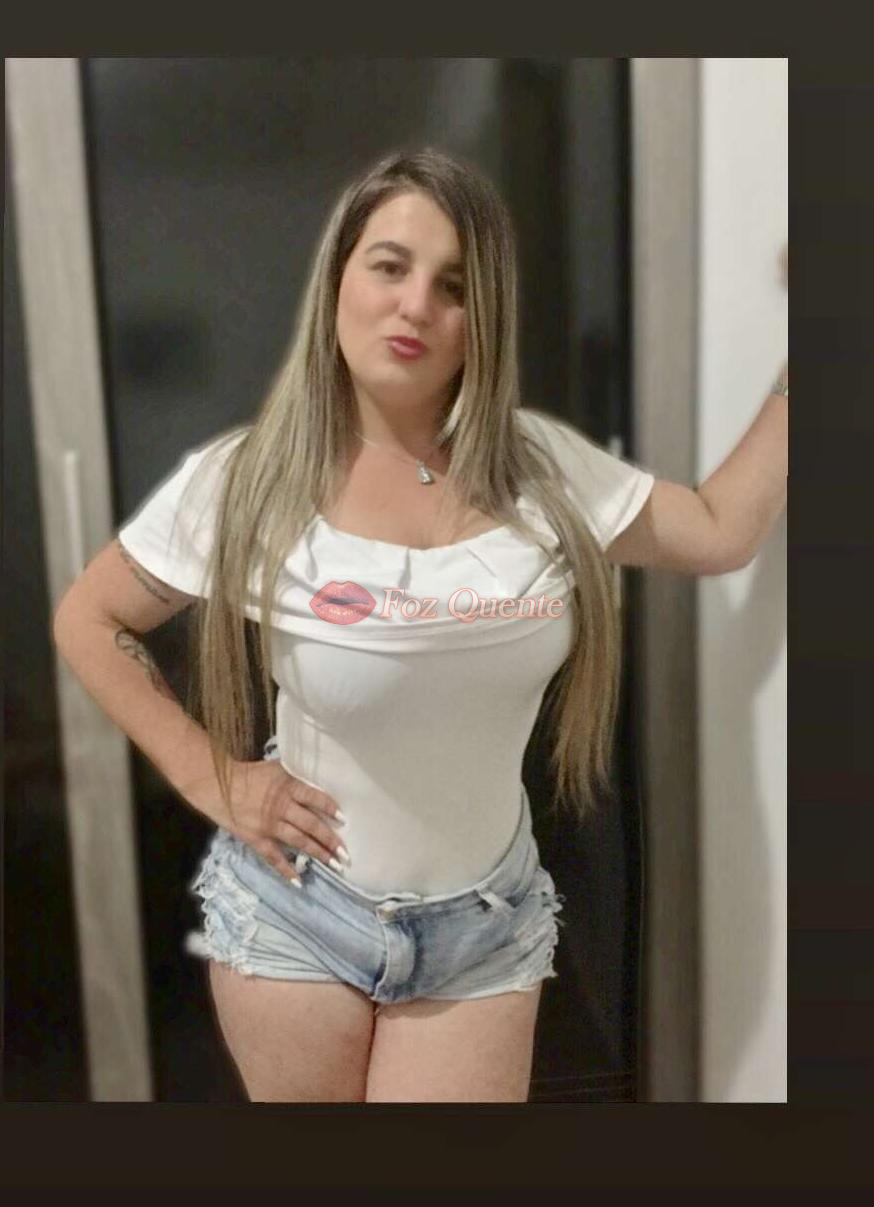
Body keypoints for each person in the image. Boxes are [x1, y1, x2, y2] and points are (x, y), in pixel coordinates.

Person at [52, 148, 788, 1103]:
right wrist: (212, 778)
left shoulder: (542, 470)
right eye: (389, 266)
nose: (415, 307)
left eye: (453, 286)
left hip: (483, 925)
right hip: (298, 915)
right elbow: (91, 617)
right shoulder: (247, 479)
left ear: (484, 318)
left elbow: (723, 529)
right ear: (339, 279)